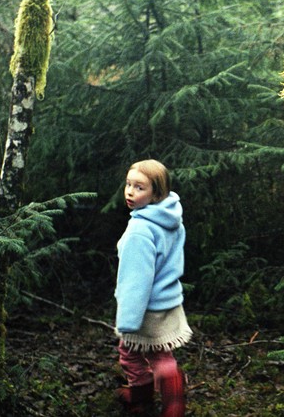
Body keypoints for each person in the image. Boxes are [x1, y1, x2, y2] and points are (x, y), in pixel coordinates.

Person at [114, 159, 193, 416]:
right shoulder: (171, 218)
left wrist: (127, 321)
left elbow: (136, 281)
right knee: (161, 354)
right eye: (128, 184)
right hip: (169, 301)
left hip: (145, 307)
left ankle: (141, 397)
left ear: (156, 193)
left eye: (139, 187)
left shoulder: (140, 230)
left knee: (129, 353)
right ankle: (174, 403)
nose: (129, 192)